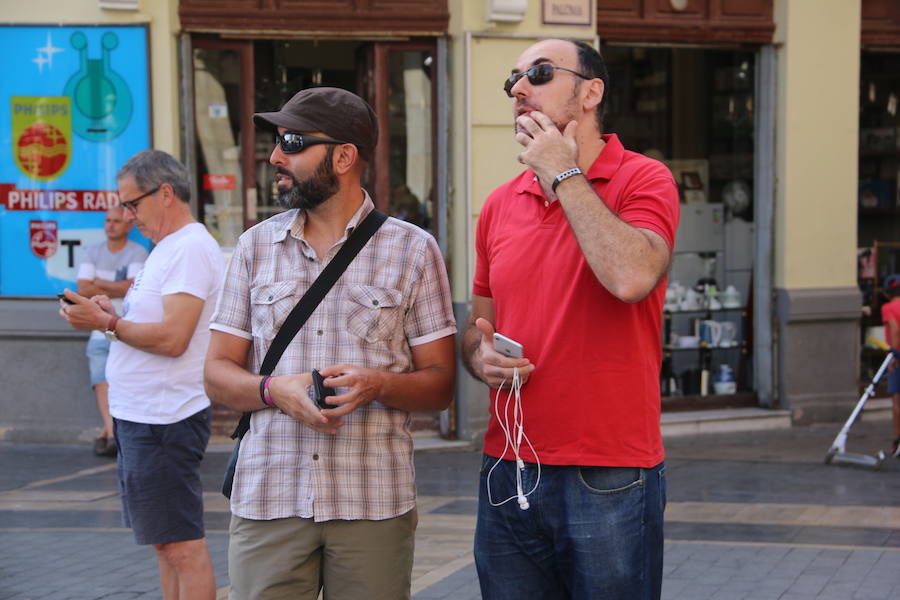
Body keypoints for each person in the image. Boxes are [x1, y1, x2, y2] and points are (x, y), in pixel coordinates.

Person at [203, 87, 456, 600]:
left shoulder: (412, 250)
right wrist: (276, 391)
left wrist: (379, 384)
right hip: (269, 496)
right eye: (276, 143)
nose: (275, 157)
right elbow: (216, 374)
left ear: (344, 157)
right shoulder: (255, 246)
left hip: (373, 502)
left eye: (292, 142)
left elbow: (441, 385)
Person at [460, 39, 679, 600]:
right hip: (507, 463)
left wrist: (564, 172)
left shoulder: (644, 179)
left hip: (607, 469)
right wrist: (478, 357)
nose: (518, 89)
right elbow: (477, 326)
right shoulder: (499, 204)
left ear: (591, 92)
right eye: (511, 79)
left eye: (537, 73)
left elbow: (631, 277)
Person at [59, 150, 224, 600]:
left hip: (165, 418)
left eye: (133, 204)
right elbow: (153, 326)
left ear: (165, 193)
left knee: (182, 546)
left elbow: (173, 339)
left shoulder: (189, 247)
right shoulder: (168, 248)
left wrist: (106, 324)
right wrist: (114, 314)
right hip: (145, 417)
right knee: (166, 544)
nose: (129, 215)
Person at [77, 206, 148, 457]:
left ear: (128, 226)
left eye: (116, 221)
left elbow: (129, 288)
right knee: (101, 379)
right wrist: (113, 286)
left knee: (126, 378)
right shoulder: (93, 251)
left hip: (126, 326)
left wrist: (98, 284)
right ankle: (111, 431)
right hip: (99, 331)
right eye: (107, 221)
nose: (111, 225)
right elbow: (82, 288)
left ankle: (111, 433)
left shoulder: (138, 251)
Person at [882, 274, 900, 457]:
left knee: (896, 401)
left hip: (898, 357)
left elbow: (895, 329)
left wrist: (893, 355)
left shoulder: (888, 308)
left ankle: (898, 438)